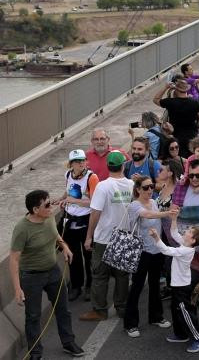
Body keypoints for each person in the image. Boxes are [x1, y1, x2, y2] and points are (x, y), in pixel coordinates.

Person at [10, 190, 86, 359]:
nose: (51, 207)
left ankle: (68, 342)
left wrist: (64, 247)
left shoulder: (49, 217)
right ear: (35, 210)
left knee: (63, 310)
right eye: (47, 205)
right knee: (33, 316)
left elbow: (55, 234)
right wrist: (17, 289)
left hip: (53, 271)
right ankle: (35, 352)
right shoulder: (22, 229)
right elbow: (14, 260)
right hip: (31, 277)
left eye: (50, 203)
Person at [80, 151, 132, 322]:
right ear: (123, 166)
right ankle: (122, 307)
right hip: (124, 236)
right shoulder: (132, 185)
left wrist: (89, 237)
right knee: (122, 275)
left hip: (104, 238)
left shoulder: (103, 186)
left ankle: (100, 310)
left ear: (107, 167)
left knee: (100, 275)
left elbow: (95, 214)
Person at [124, 175, 176, 338]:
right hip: (141, 253)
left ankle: (156, 316)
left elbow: (157, 221)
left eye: (151, 186)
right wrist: (167, 212)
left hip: (156, 252)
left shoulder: (153, 202)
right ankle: (130, 324)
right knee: (137, 287)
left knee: (155, 286)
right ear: (138, 189)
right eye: (145, 187)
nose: (149, 190)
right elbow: (148, 215)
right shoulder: (134, 205)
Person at [148, 218, 199, 353]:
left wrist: (156, 237)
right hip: (177, 286)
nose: (186, 231)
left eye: (189, 231)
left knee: (185, 312)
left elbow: (166, 250)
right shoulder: (185, 244)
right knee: (176, 310)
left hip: (182, 288)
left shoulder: (186, 251)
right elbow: (174, 233)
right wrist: (174, 218)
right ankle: (181, 334)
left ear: (193, 240)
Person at [57, 149, 99, 303]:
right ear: (71, 164)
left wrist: (73, 201)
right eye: (77, 161)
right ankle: (76, 286)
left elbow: (95, 202)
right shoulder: (68, 175)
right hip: (69, 220)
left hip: (86, 220)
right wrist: (61, 199)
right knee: (72, 256)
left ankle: (90, 286)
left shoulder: (91, 177)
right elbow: (68, 190)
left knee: (88, 256)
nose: (81, 163)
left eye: (82, 160)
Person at [154, 75, 199, 158]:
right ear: (186, 90)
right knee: (192, 159)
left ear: (176, 90)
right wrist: (198, 127)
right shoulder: (194, 102)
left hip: (176, 136)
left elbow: (156, 99)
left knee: (179, 159)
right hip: (192, 135)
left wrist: (165, 87)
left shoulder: (170, 102)